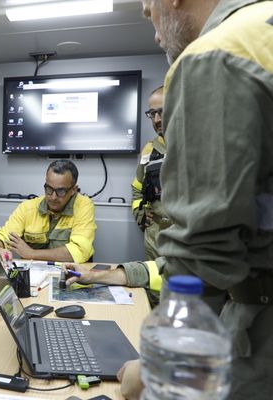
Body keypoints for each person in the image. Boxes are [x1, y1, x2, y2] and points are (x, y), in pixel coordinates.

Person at [117, 1, 273, 399]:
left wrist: (158, 371)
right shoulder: (262, 31)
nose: (154, 31)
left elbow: (200, 251)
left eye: (148, 9)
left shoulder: (217, 54)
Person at [0, 160, 96, 263]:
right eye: (49, 189)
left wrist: (32, 254)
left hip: (70, 277)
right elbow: (1, 236)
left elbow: (80, 250)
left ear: (73, 190)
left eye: (61, 191)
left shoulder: (83, 206)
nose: (53, 197)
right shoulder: (28, 207)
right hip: (34, 277)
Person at [132, 86, 169, 260]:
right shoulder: (148, 150)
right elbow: (137, 189)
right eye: (152, 113)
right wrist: (141, 215)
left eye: (162, 111)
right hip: (155, 238)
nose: (157, 119)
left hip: (188, 239)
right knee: (152, 285)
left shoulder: (198, 145)